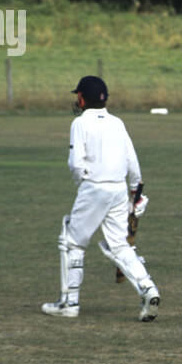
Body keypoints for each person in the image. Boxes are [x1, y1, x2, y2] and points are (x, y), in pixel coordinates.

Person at [42, 75, 161, 321]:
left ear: (82, 98)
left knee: (72, 241)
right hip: (119, 189)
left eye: (78, 95)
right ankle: (148, 289)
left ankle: (69, 303)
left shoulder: (80, 124)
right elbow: (132, 160)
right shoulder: (117, 122)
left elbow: (76, 164)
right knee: (119, 246)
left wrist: (84, 185)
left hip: (94, 187)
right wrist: (135, 191)